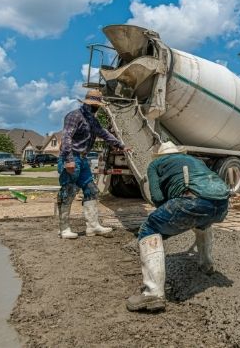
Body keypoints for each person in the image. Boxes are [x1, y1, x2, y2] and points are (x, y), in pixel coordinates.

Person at [126, 142, 230, 313]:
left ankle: (153, 293)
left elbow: (157, 196)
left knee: (149, 228)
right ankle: (206, 265)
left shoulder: (155, 164)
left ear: (160, 155)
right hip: (222, 205)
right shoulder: (193, 160)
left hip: (192, 201)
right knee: (202, 224)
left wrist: (167, 214)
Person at [57, 88, 126, 239]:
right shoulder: (74, 116)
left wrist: (121, 146)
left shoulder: (92, 120)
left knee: (91, 190)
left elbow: (103, 133)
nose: (95, 108)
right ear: (87, 104)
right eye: (94, 105)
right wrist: (68, 160)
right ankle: (64, 228)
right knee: (68, 190)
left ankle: (93, 226)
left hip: (83, 158)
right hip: (71, 157)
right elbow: (67, 137)